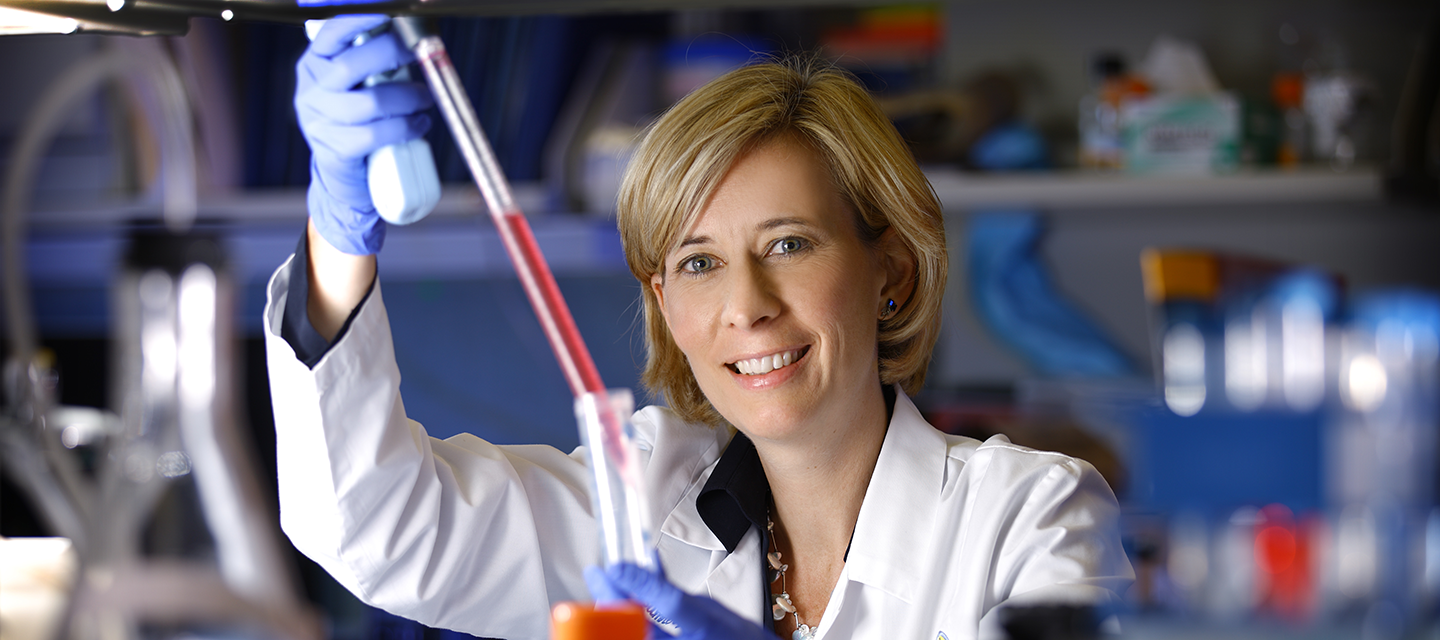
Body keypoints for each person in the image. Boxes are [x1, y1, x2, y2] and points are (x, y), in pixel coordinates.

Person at [269, 14, 1134, 640]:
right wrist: (338, 237)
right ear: (664, 308)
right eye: (697, 262)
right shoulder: (637, 505)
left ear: (890, 272)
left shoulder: (1030, 516)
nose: (746, 305)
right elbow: (374, 527)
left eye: (788, 244)